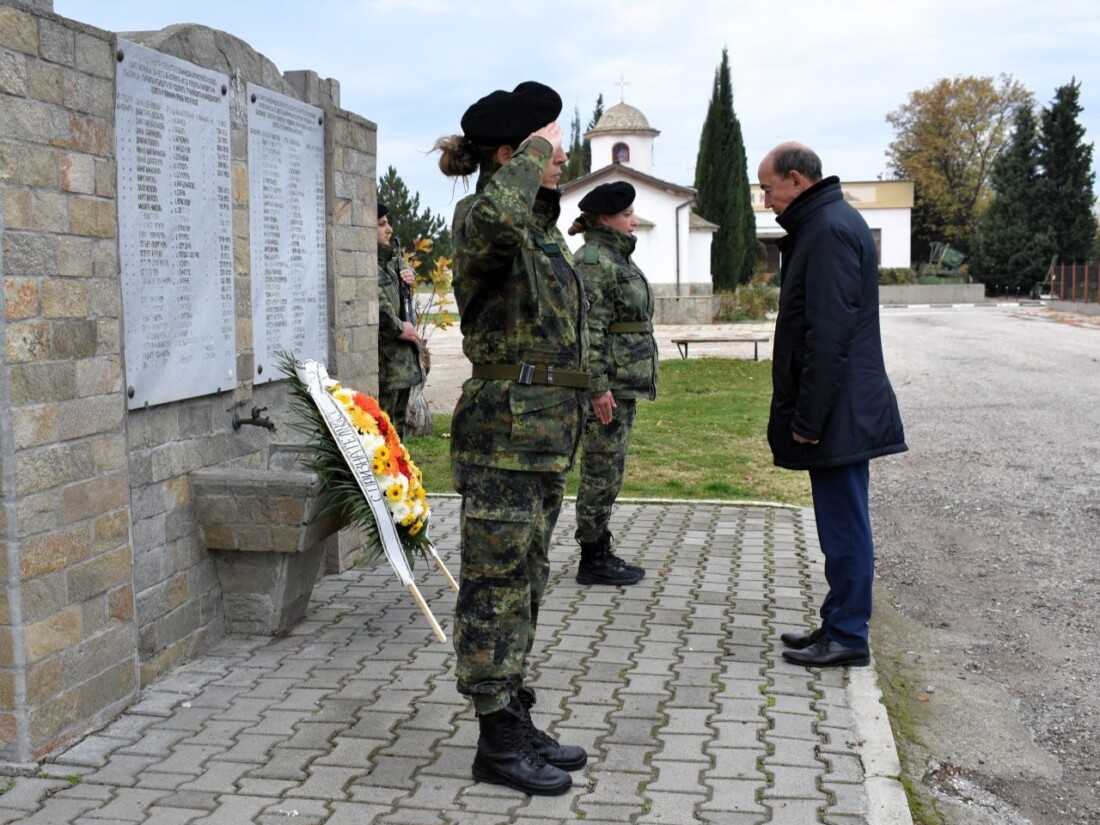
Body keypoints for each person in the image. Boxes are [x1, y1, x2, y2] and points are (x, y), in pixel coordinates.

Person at [433, 81, 589, 796]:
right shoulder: (481, 215)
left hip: (543, 436)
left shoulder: (540, 226)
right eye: (547, 147)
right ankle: (494, 738)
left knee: (525, 578)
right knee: (494, 584)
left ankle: (513, 710)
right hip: (502, 436)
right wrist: (528, 158)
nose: (559, 159)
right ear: (510, 152)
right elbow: (496, 217)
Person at [757, 142, 907, 669]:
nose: (766, 200)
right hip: (840, 410)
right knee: (840, 522)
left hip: (838, 413)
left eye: (769, 188)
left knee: (845, 526)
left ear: (797, 181)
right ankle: (837, 619)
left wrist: (809, 418)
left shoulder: (827, 231)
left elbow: (829, 336)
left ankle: (848, 634)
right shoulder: (825, 224)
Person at [567, 182, 656, 586]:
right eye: (627, 215)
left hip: (622, 384)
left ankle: (599, 546)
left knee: (610, 469)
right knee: (601, 471)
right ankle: (593, 556)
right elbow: (591, 331)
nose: (634, 221)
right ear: (604, 219)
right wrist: (598, 387)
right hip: (609, 388)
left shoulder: (612, 256)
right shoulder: (593, 261)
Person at [376, 202, 422, 438]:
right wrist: (398, 328)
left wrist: (409, 273)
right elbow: (379, 303)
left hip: (403, 365)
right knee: (384, 433)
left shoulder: (390, 260)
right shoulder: (370, 265)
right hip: (387, 366)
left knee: (399, 432)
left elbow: (400, 266)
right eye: (382, 224)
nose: (389, 229)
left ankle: (403, 474)